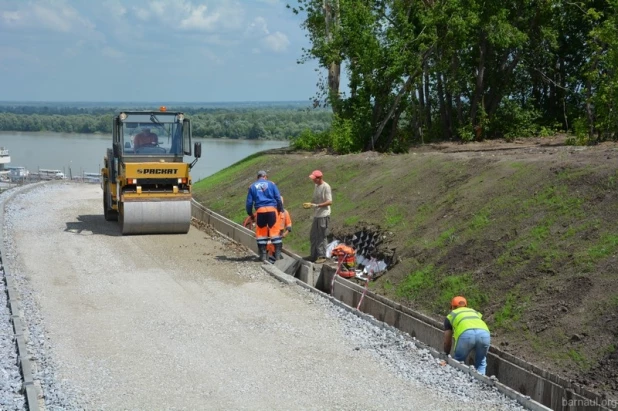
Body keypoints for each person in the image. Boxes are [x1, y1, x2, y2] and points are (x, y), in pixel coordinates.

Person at [443, 296, 491, 375]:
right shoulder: (474, 312)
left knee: (458, 361)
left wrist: (446, 354)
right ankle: (480, 383)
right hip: (484, 334)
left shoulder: (451, 315)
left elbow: (447, 341)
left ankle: (457, 380)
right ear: (466, 305)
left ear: (452, 306)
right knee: (481, 362)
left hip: (466, 335)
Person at [246, 170, 283, 263]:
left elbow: (249, 203)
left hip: (260, 211)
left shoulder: (252, 186)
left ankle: (262, 256)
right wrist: (280, 209)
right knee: (275, 233)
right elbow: (278, 198)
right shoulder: (271, 184)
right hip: (272, 210)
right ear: (265, 176)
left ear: (257, 177)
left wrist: (250, 213)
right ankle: (278, 256)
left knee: (261, 234)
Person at [306, 170, 332, 264]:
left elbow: (329, 201)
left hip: (323, 215)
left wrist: (317, 205)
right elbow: (315, 198)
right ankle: (313, 255)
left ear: (319, 178)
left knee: (321, 236)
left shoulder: (326, 187)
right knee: (313, 235)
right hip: (317, 214)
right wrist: (310, 204)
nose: (313, 180)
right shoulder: (316, 186)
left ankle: (322, 256)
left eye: (314, 179)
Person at [266, 195, 292, 263]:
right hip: (268, 237)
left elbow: (289, 224)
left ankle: (276, 261)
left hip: (278, 237)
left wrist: (285, 233)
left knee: (277, 253)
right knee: (267, 250)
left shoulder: (285, 213)